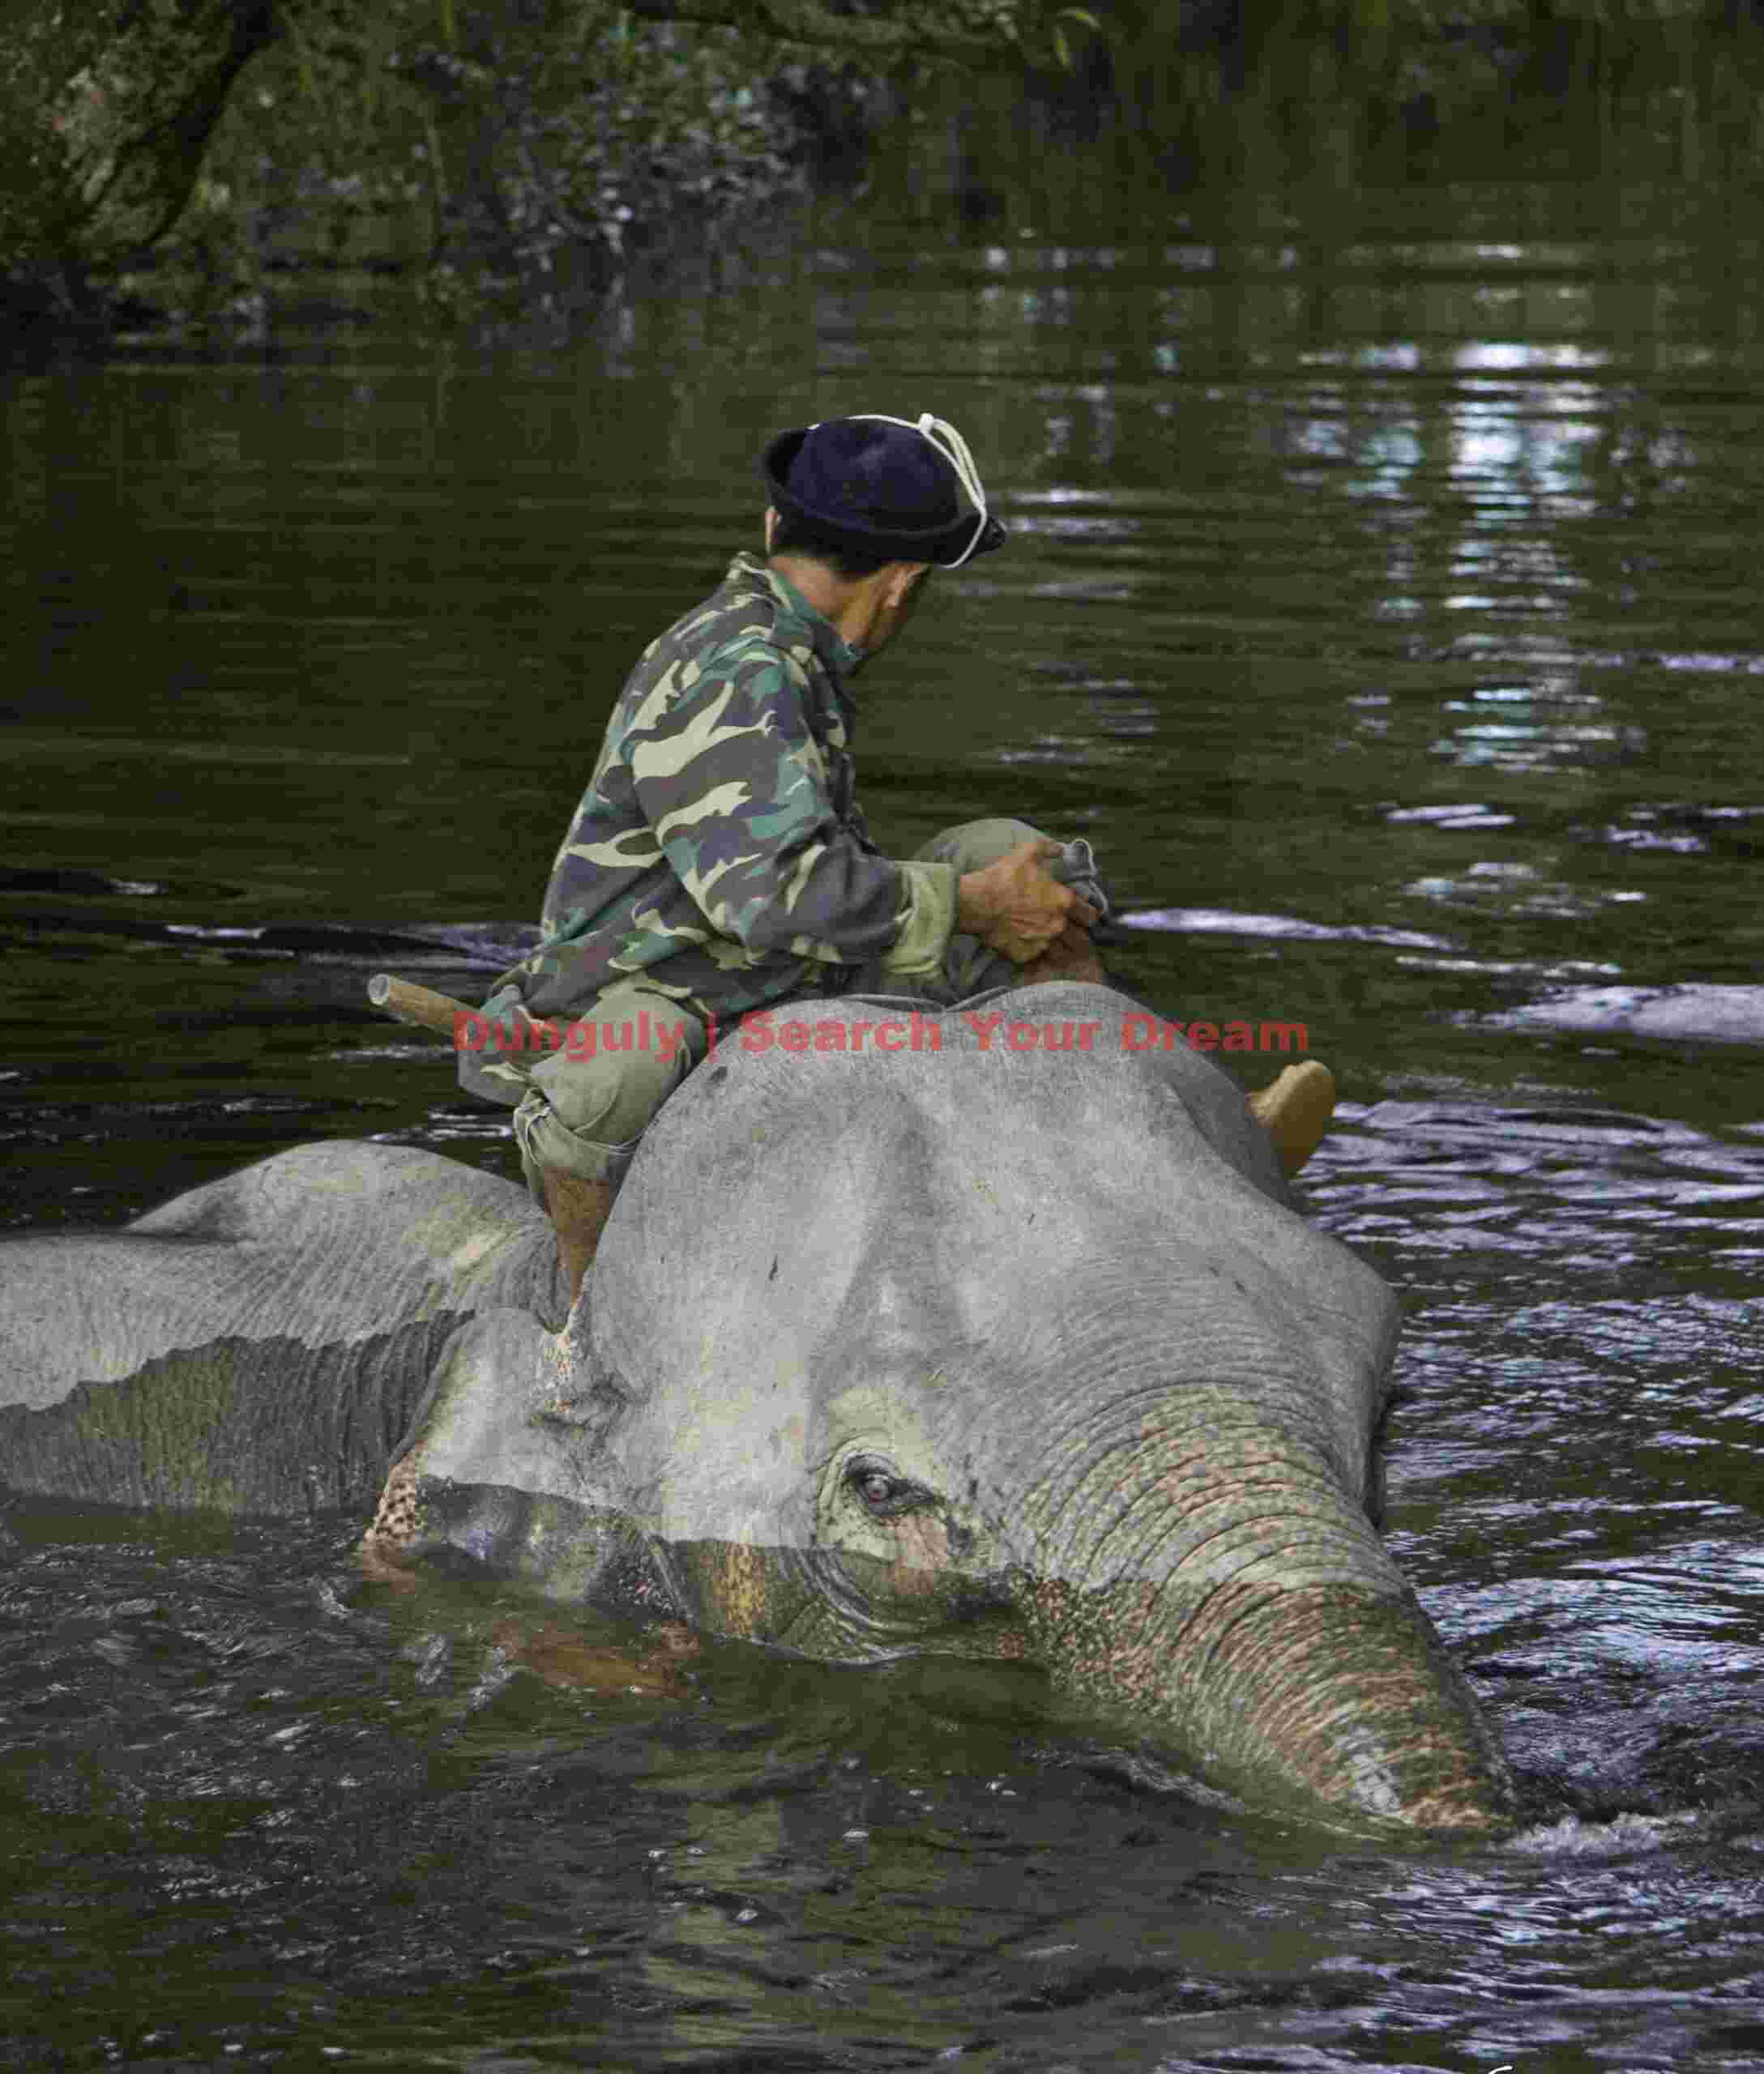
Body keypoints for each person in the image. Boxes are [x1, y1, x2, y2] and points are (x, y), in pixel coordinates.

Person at [460, 411, 1330, 1302]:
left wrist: (998, 892)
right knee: (619, 1071)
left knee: (1028, 871)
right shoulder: (737, 667)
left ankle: (1152, 1142)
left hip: (775, 974)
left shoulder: (792, 648)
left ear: (773, 530)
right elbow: (770, 894)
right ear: (900, 586)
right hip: (669, 987)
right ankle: (584, 1315)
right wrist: (973, 905)